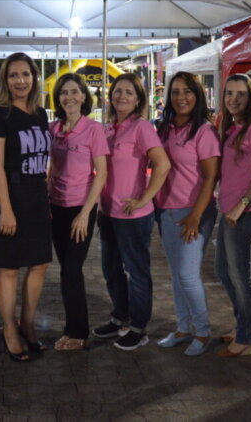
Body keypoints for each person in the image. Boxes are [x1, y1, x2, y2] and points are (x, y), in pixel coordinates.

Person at [93, 73, 170, 351]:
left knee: (137, 272)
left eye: (128, 92)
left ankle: (139, 327)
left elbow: (162, 165)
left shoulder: (141, 128)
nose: (121, 96)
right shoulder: (108, 129)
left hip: (133, 216)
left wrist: (143, 198)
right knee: (111, 270)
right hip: (109, 213)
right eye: (117, 91)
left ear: (138, 99)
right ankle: (120, 317)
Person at [0, 52, 52, 362]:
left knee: (39, 264)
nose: (20, 80)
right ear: (5, 79)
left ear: (34, 78)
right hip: (9, 197)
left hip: (37, 197)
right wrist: (6, 209)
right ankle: (9, 329)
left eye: (25, 74)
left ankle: (27, 322)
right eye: (13, 75)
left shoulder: (40, 114)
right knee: (10, 268)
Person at [152, 72, 219, 356]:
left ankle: (202, 332)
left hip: (194, 212)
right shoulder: (165, 128)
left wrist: (195, 215)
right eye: (176, 92)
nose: (181, 98)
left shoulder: (203, 130)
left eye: (187, 91)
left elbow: (211, 176)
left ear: (198, 95)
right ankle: (182, 328)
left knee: (188, 275)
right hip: (166, 210)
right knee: (176, 274)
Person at [48, 73, 109, 351]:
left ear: (84, 96)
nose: (69, 97)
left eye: (74, 92)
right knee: (66, 271)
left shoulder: (93, 129)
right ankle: (72, 328)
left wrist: (86, 213)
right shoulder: (53, 128)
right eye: (63, 93)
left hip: (80, 209)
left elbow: (101, 173)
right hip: (56, 208)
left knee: (72, 270)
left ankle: (79, 332)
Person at [214, 74, 251, 358]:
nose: (234, 99)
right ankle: (242, 326)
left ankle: (247, 338)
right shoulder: (231, 127)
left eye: (240, 94)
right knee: (223, 271)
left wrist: (242, 204)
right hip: (228, 211)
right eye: (229, 94)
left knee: (239, 276)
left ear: (250, 98)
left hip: (244, 213)